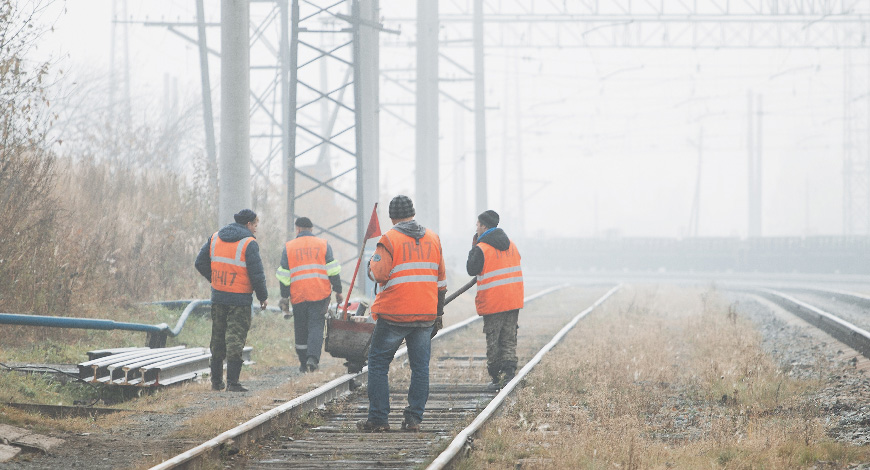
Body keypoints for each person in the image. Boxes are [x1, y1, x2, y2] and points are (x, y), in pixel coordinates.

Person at [357, 195, 447, 432]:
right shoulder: (433, 238)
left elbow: (379, 274)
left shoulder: (389, 239)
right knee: (420, 368)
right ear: (413, 213)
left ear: (392, 217)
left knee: (377, 364)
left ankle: (378, 420)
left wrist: (369, 268)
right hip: (425, 315)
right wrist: (438, 314)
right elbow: (442, 282)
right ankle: (413, 419)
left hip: (395, 314)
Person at [195, 209, 268, 392]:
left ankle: (216, 382)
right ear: (248, 224)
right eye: (255, 225)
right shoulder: (249, 243)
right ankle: (233, 383)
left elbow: (200, 262)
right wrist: (262, 297)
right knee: (235, 339)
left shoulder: (215, 237)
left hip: (219, 296)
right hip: (240, 299)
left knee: (217, 338)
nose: (256, 229)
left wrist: (215, 279)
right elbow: (257, 274)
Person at [275, 216, 343, 373]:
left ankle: (302, 362)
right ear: (311, 230)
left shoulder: (289, 247)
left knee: (300, 327)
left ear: (297, 229)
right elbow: (333, 271)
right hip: (320, 294)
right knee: (316, 326)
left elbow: (284, 275)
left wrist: (285, 296)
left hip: (298, 295)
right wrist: (338, 290)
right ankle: (313, 358)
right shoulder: (323, 244)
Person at [466, 210, 524, 390]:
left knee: (494, 340)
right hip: (512, 299)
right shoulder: (512, 245)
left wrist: (474, 245)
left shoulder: (482, 248)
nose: (476, 227)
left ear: (484, 226)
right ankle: (508, 374)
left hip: (494, 302)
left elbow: (471, 268)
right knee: (508, 338)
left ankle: (496, 376)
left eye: (477, 224)